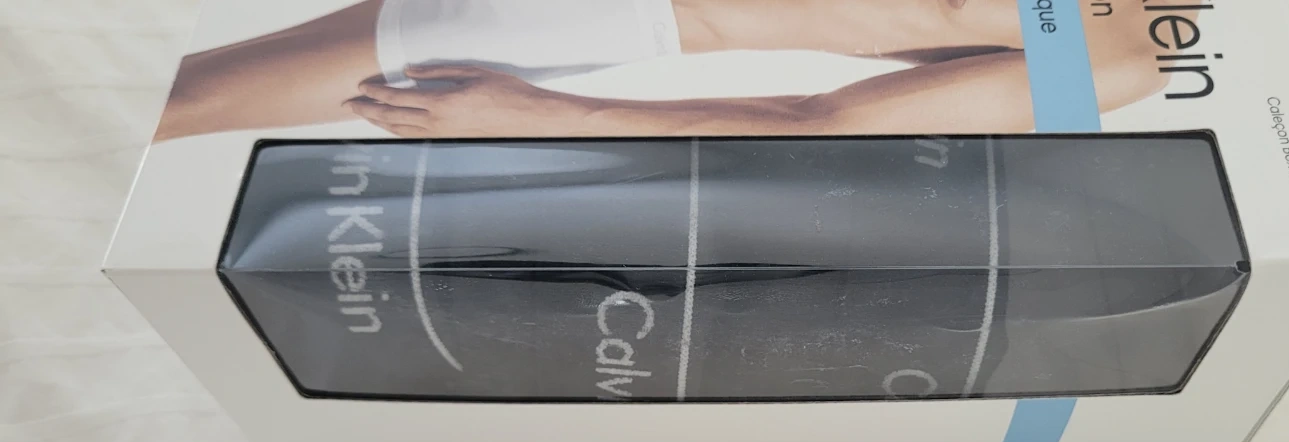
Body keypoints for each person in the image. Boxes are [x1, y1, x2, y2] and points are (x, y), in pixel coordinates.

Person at [154, 0, 1184, 141]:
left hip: (613, 11)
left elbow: (820, 121)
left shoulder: (1128, 51)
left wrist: (546, 114)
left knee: (189, 97)